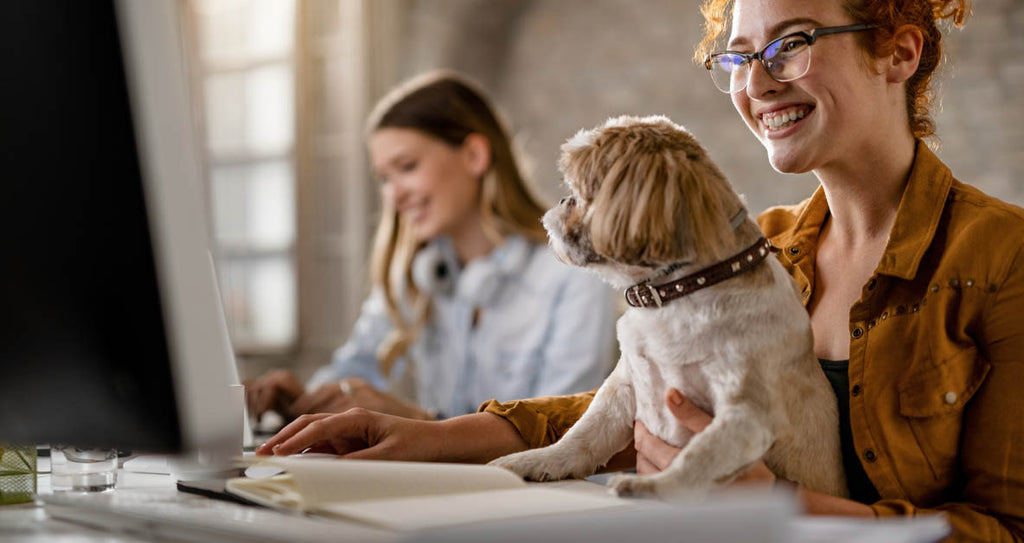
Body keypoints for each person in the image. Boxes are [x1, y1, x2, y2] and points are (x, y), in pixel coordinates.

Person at [258, 1, 1024, 539]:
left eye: (790, 42)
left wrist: (777, 503)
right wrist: (425, 438)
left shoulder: (999, 258)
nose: (754, 84)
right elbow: (623, 399)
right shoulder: (766, 247)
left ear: (899, 49)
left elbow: (1007, 529)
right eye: (737, 55)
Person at [245, 70, 617, 423]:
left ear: (474, 155)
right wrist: (303, 399)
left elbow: (561, 435)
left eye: (406, 166)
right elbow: (353, 372)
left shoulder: (575, 277)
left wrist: (419, 425)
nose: (394, 194)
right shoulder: (418, 273)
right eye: (384, 178)